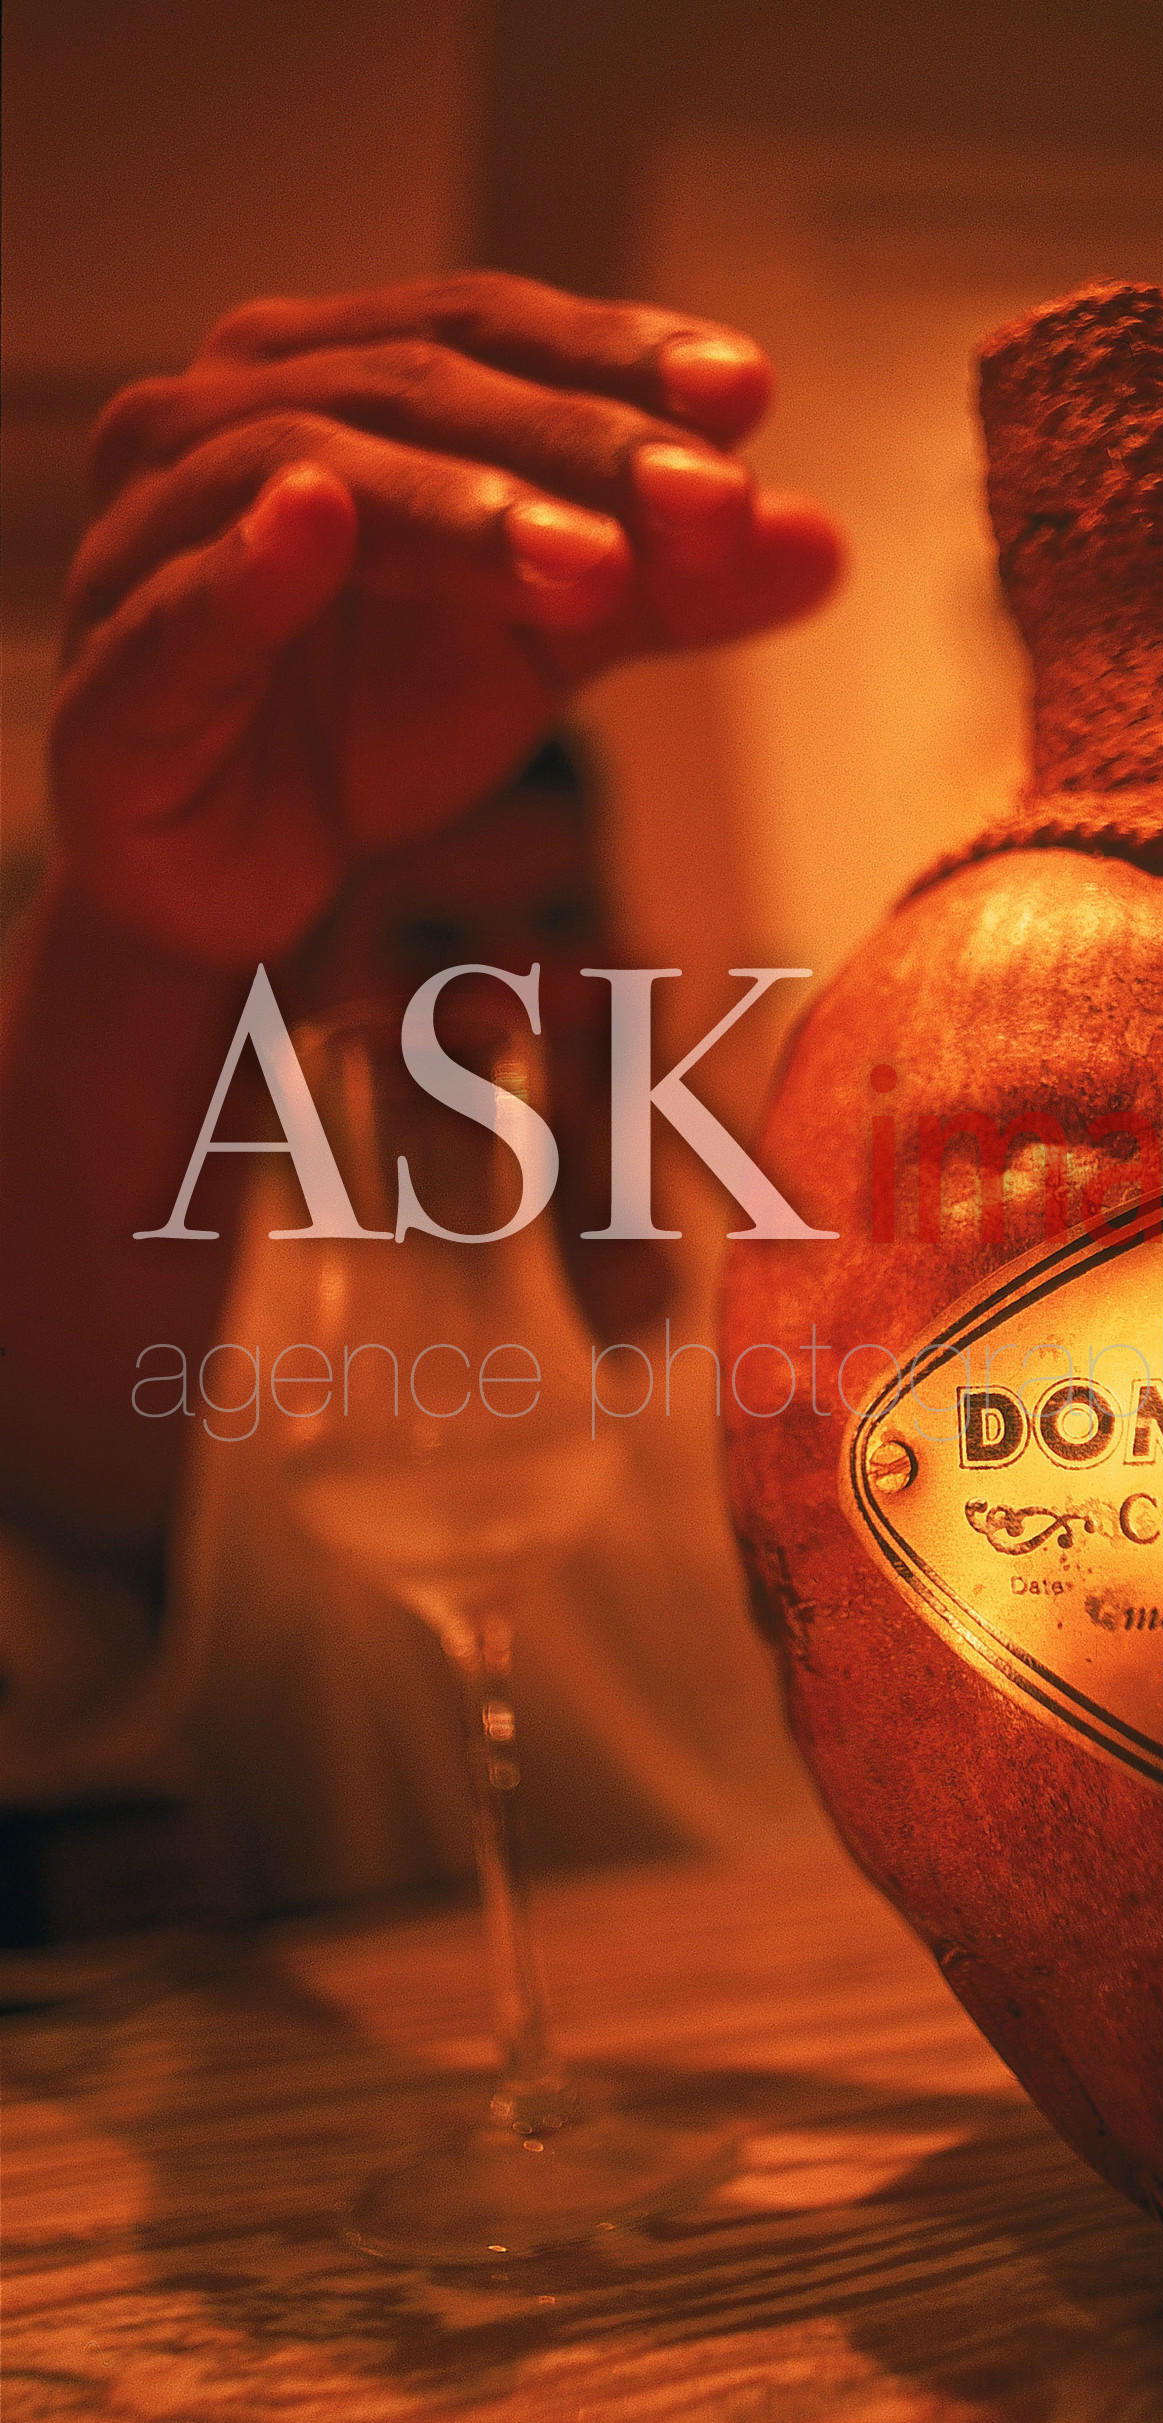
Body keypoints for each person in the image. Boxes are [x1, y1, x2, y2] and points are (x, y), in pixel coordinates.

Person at [0, 274, 846, 1927]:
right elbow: (57, 1464)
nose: (521, 995)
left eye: (559, 916)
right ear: (301, 985)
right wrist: (141, 926)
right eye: (436, 941)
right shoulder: (241, 1310)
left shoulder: (768, 1224)